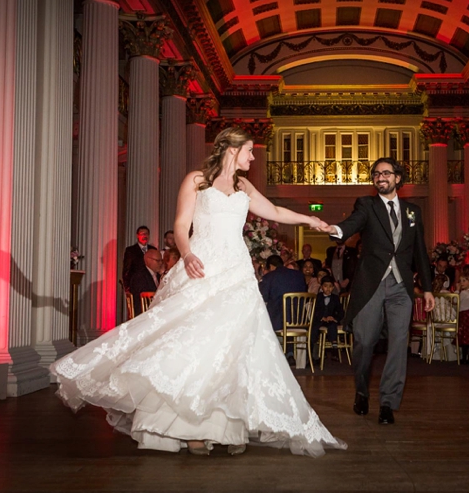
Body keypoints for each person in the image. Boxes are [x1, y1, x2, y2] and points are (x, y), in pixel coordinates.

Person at [50, 127, 346, 457]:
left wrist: (310, 220)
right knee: (197, 345)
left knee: (234, 348)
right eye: (249, 150)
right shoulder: (197, 180)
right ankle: (188, 429)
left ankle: (226, 427)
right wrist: (188, 254)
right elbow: (180, 225)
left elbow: (275, 212)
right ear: (232, 149)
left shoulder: (243, 185)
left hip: (236, 272)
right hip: (203, 266)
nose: (252, 156)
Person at [323, 157, 434, 426]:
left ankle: (388, 402)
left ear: (398, 178)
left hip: (401, 287)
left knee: (398, 344)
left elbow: (419, 250)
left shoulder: (412, 211)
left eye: (386, 172)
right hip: (371, 285)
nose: (380, 177)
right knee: (364, 342)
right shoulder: (367, 205)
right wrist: (336, 230)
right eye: (375, 173)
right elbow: (353, 223)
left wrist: (428, 288)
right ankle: (361, 391)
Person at [260, 253, 308, 357]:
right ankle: (290, 352)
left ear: (271, 266)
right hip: (299, 319)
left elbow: (263, 297)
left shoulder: (269, 277)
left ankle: (270, 355)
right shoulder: (298, 275)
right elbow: (304, 292)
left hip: (278, 320)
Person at [311, 276, 344, 362]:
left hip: (330, 320)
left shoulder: (335, 298)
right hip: (320, 320)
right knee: (314, 328)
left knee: (332, 327)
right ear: (321, 287)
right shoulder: (317, 297)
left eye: (330, 286)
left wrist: (334, 318)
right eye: (325, 286)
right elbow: (314, 311)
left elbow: (341, 312)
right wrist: (321, 317)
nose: (328, 288)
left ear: (333, 287)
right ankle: (313, 348)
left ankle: (334, 347)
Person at [128, 249, 164, 313]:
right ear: (148, 260)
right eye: (158, 261)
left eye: (162, 261)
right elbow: (142, 297)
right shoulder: (139, 276)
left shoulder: (159, 275)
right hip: (144, 311)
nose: (161, 263)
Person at [122, 226, 156, 292]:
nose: (144, 236)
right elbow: (126, 269)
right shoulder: (131, 250)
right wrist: (127, 287)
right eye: (142, 234)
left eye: (146, 234)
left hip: (151, 285)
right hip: (137, 286)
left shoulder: (153, 250)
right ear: (137, 235)